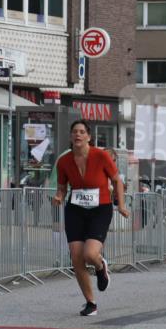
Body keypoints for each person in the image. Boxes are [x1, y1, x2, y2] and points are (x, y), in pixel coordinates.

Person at [53, 120, 130, 316]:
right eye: (74, 132)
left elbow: (116, 181)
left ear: (88, 136)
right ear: (71, 136)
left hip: (100, 208)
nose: (77, 135)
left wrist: (120, 204)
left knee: (90, 254)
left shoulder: (101, 155)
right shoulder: (64, 161)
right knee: (77, 257)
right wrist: (59, 196)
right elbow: (62, 187)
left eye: (81, 132)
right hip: (75, 210)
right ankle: (91, 303)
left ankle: (100, 266)